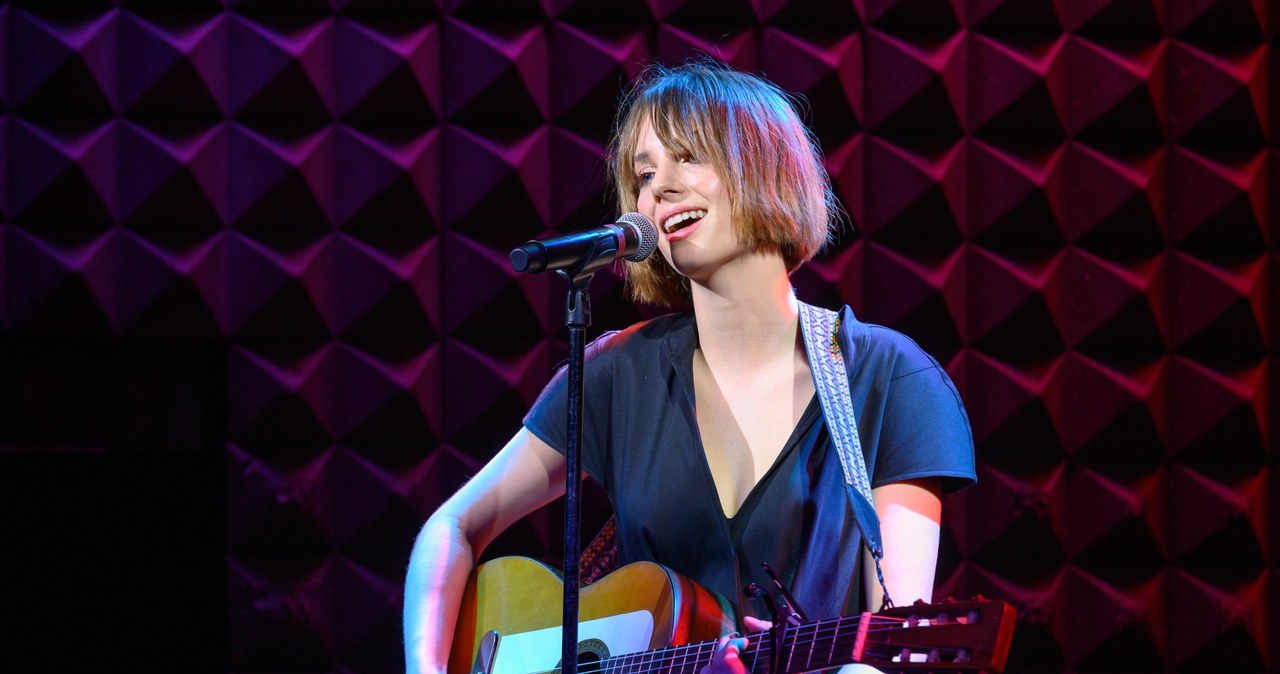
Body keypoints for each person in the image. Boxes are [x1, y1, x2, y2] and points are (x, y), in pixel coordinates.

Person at [403, 59, 976, 674]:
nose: (659, 189)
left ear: (764, 165)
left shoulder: (890, 379)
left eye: (687, 157)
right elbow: (454, 527)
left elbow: (898, 646)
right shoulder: (614, 375)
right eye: (644, 175)